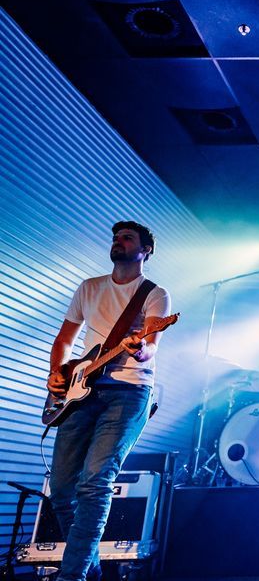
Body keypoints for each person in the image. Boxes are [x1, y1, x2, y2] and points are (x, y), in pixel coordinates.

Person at [46, 221, 171, 581]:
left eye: (127, 238)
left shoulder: (154, 294)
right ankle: (92, 569)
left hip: (129, 392)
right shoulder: (89, 287)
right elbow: (64, 340)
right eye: (116, 238)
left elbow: (150, 347)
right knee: (61, 491)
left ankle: (72, 576)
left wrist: (140, 348)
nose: (118, 242)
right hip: (81, 391)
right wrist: (56, 373)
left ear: (145, 250)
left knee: (95, 482)